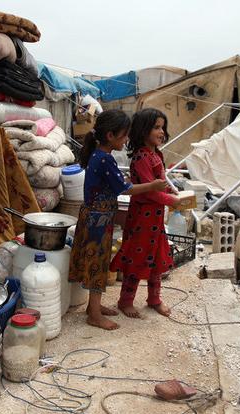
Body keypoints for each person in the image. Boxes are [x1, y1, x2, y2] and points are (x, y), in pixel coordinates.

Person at [69, 110, 168, 330]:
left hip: (94, 216)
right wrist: (152, 186)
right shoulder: (105, 159)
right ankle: (94, 315)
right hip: (98, 220)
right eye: (124, 135)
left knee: (98, 262)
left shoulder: (98, 155)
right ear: (111, 135)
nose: (126, 140)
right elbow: (125, 189)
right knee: (97, 265)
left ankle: (93, 307)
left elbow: (115, 183)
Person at [110, 108, 180, 319]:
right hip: (142, 217)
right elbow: (149, 192)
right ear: (143, 130)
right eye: (156, 127)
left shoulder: (156, 153)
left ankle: (154, 299)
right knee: (137, 257)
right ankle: (125, 301)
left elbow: (160, 184)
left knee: (156, 257)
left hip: (156, 217)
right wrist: (172, 201)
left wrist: (171, 192)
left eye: (162, 127)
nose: (161, 132)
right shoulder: (141, 157)